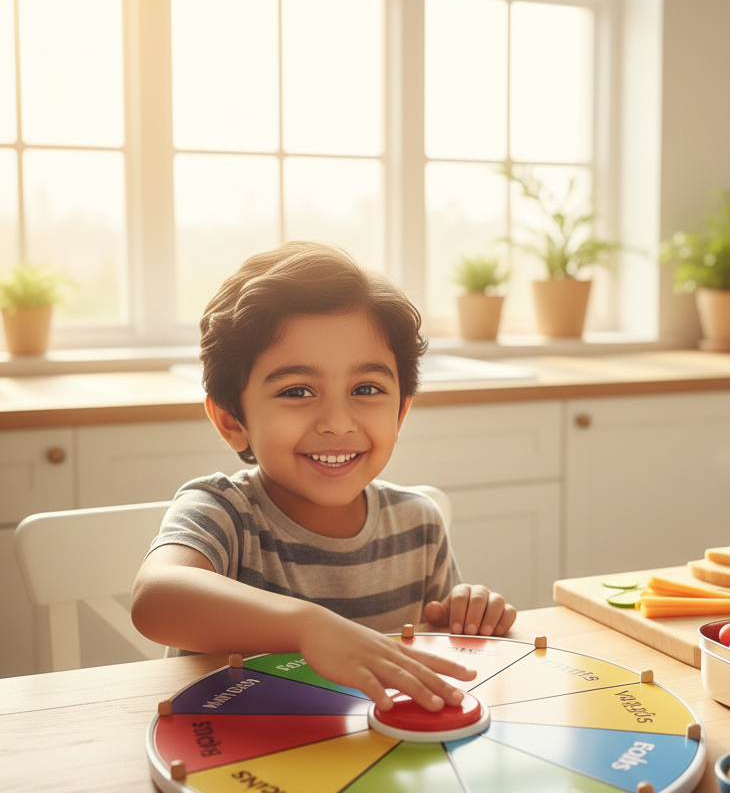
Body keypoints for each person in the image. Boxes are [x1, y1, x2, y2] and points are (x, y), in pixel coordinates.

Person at [131, 242, 516, 714]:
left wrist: (467, 614)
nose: (338, 421)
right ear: (231, 420)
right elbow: (156, 599)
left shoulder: (418, 524)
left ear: (401, 411)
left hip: (367, 765)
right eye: (297, 391)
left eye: (367, 389)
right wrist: (309, 627)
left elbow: (432, 656)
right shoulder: (223, 512)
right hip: (233, 762)